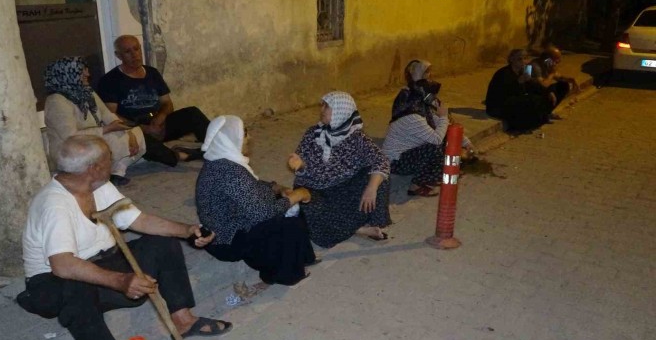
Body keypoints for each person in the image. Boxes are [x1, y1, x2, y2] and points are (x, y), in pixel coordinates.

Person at [17, 135, 232, 340]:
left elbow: (139, 220)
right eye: (109, 159)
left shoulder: (98, 186)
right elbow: (63, 266)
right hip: (52, 283)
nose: (114, 163)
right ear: (93, 168)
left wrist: (187, 230)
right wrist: (121, 281)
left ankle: (183, 320)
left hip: (100, 262)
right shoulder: (55, 204)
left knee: (162, 244)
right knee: (75, 287)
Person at [195, 116, 316, 286]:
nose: (249, 138)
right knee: (286, 222)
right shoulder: (228, 171)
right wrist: (298, 195)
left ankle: (301, 256)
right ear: (230, 139)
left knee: (284, 202)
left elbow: (251, 185)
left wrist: (277, 188)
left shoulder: (221, 161)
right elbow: (262, 213)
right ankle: (285, 273)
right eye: (244, 134)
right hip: (226, 240)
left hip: (230, 223)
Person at [288, 91, 391, 248]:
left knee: (379, 179)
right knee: (308, 210)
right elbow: (303, 170)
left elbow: (381, 160)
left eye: (326, 106)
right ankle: (358, 229)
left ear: (341, 112)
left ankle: (355, 225)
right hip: (316, 189)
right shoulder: (312, 134)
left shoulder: (356, 138)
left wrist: (371, 188)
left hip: (344, 189)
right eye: (322, 105)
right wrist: (300, 166)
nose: (321, 109)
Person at [97, 35, 209, 167]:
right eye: (128, 52)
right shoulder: (110, 80)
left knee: (192, 113)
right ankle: (180, 155)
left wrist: (161, 117)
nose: (135, 55)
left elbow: (167, 103)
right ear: (118, 55)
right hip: (134, 128)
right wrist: (144, 128)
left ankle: (216, 148)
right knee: (148, 145)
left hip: (158, 123)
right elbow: (111, 115)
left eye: (136, 49)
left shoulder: (152, 73)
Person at [44, 56, 145, 187]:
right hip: (70, 149)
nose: (88, 74)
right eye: (82, 71)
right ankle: (94, 176)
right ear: (67, 74)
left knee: (136, 132)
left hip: (92, 138)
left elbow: (107, 115)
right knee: (111, 138)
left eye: (86, 69)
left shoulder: (87, 92)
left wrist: (129, 132)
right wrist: (106, 129)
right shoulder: (56, 100)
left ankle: (117, 172)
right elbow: (70, 137)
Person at [382, 60, 473, 197]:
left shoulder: (421, 105)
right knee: (435, 144)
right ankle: (416, 185)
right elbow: (436, 138)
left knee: (443, 137)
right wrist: (443, 117)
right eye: (426, 73)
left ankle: (445, 170)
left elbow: (445, 127)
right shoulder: (411, 113)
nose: (433, 98)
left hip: (411, 151)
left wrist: (466, 142)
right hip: (396, 161)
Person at [485, 49, 554, 134]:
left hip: (513, 101)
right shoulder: (504, 73)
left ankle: (540, 120)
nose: (522, 61)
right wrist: (518, 82)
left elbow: (533, 85)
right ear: (511, 60)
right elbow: (503, 93)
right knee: (529, 100)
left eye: (525, 58)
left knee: (539, 97)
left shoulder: (522, 72)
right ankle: (516, 128)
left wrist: (548, 92)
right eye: (519, 59)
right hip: (498, 106)